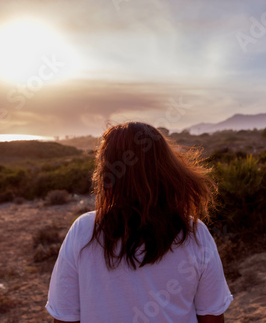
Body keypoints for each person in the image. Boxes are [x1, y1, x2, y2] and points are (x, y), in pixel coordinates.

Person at [46, 122, 233, 323]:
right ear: (166, 167)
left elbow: (64, 316)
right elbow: (211, 315)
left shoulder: (84, 231)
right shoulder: (193, 233)